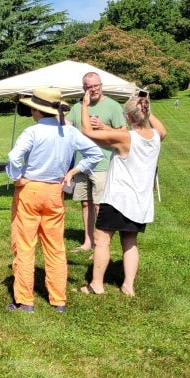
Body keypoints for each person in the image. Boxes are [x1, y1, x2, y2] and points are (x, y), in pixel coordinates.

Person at [6, 88, 102, 313]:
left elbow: (13, 157)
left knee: (25, 247)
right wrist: (74, 171)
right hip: (55, 192)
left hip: (30, 190)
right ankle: (58, 300)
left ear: (36, 110)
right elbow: (95, 154)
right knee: (55, 247)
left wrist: (17, 176)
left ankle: (25, 301)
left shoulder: (32, 132)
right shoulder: (68, 132)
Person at [77, 90, 167, 297]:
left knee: (101, 240)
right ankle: (128, 286)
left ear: (127, 117)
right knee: (130, 242)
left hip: (117, 200)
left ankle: (96, 285)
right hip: (140, 202)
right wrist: (145, 105)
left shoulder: (125, 138)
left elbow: (87, 132)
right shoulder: (156, 137)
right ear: (145, 114)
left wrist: (84, 105)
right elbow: (161, 128)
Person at [65, 72, 126, 253]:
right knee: (86, 203)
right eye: (89, 87)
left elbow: (123, 133)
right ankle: (88, 242)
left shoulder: (113, 106)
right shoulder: (77, 107)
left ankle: (101, 245)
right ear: (83, 88)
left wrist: (103, 127)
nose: (93, 89)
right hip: (81, 164)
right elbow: (67, 127)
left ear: (101, 85)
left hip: (103, 164)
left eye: (95, 85)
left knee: (100, 205)